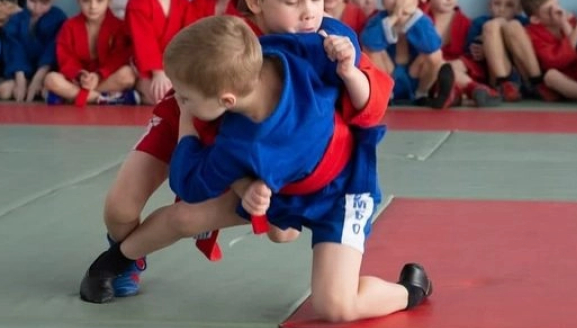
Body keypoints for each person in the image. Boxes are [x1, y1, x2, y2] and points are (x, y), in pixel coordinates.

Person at [93, 0, 394, 299]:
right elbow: (214, 127)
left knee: (262, 227)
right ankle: (126, 256)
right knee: (119, 209)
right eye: (293, 1)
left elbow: (372, 105)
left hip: (246, 145)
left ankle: (123, 257)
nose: (309, 14)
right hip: (188, 111)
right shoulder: (228, 38)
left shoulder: (328, 41)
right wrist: (241, 183)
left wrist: (351, 72)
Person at [79, 17, 431, 321]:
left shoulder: (247, 128)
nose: (179, 102)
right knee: (185, 217)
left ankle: (409, 291)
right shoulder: (280, 68)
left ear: (226, 100)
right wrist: (345, 52)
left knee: (336, 307)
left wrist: (187, 120)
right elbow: (189, 184)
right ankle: (116, 259)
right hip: (280, 191)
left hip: (342, 193)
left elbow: (188, 180)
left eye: (184, 98)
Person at [361, 0, 456, 108]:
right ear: (382, 1)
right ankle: (386, 94)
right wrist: (393, 18)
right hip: (388, 73)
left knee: (436, 54)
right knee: (369, 49)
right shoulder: (378, 19)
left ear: (415, 0)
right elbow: (368, 42)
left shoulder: (421, 20)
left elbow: (433, 46)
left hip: (415, 74)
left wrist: (412, 20)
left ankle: (422, 94)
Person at [43, 0, 137, 106]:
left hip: (105, 78)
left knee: (128, 75)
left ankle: (71, 97)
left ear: (109, 0)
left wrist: (99, 75)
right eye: (86, 0)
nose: (93, 6)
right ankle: (102, 98)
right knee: (50, 79)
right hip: (77, 80)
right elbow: (65, 57)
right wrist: (80, 75)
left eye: (100, 0)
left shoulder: (119, 26)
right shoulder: (69, 26)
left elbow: (119, 57)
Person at [422, 0, 500, 106]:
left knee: (449, 69)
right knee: (440, 66)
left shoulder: (466, 23)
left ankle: (458, 92)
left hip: (459, 70)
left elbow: (473, 55)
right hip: (428, 74)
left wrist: (467, 61)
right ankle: (472, 89)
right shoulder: (422, 18)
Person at [125, 0, 191, 105]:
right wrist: (158, 72)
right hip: (146, 65)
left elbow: (190, 37)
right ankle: (138, 86)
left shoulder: (182, 2)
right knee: (162, 99)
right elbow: (143, 40)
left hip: (173, 64)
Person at [0, 0, 67, 102]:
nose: (37, 8)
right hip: (21, 73)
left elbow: (53, 50)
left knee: (50, 90)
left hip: (46, 73)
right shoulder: (16, 20)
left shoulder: (59, 19)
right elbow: (14, 49)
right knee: (2, 92)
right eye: (32, 1)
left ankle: (38, 88)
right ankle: (28, 87)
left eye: (44, 3)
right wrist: (20, 80)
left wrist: (39, 78)